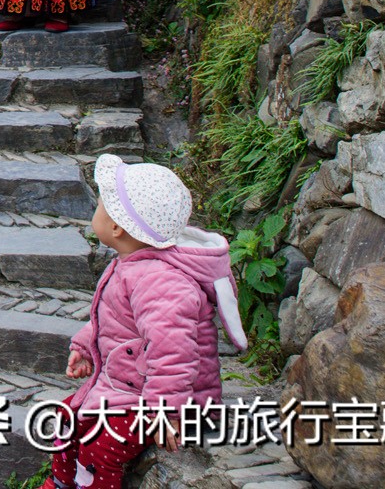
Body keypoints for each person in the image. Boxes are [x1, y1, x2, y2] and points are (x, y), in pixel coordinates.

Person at [37, 157, 247, 489]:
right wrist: (86, 345)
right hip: (126, 387)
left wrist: (165, 414)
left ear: (117, 227)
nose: (96, 208)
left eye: (102, 204)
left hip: (164, 400)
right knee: (65, 417)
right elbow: (118, 321)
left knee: (101, 446)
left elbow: (173, 355)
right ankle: (62, 483)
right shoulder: (136, 263)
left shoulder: (162, 282)